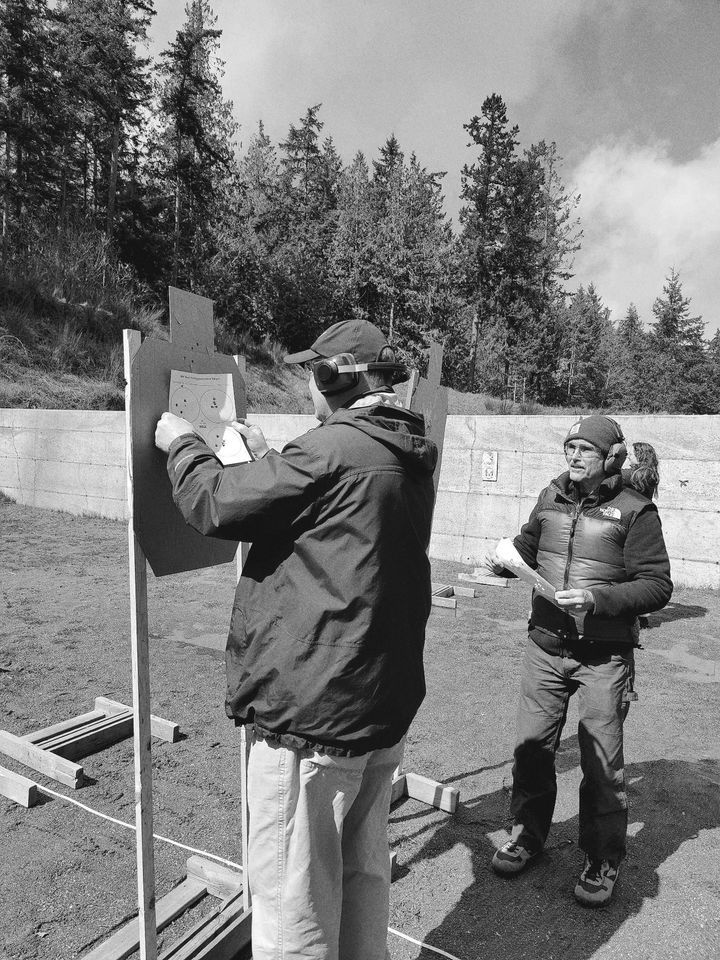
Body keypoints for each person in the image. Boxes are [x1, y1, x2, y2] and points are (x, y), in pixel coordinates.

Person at [154, 318, 437, 960]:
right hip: (375, 704)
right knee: (362, 879)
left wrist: (182, 445)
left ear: (335, 376)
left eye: (316, 370)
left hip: (311, 708)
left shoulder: (331, 449)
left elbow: (217, 504)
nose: (310, 382)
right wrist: (270, 460)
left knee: (292, 909)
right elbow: (324, 516)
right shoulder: (401, 446)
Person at [483, 415, 672, 907]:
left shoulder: (635, 510)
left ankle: (602, 857)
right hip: (544, 648)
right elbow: (531, 543)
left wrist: (596, 600)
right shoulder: (551, 495)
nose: (573, 455)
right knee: (532, 750)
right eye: (569, 446)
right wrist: (503, 557)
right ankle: (528, 835)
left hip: (604, 658)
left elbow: (657, 585)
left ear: (611, 457)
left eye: (585, 448)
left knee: (601, 764)